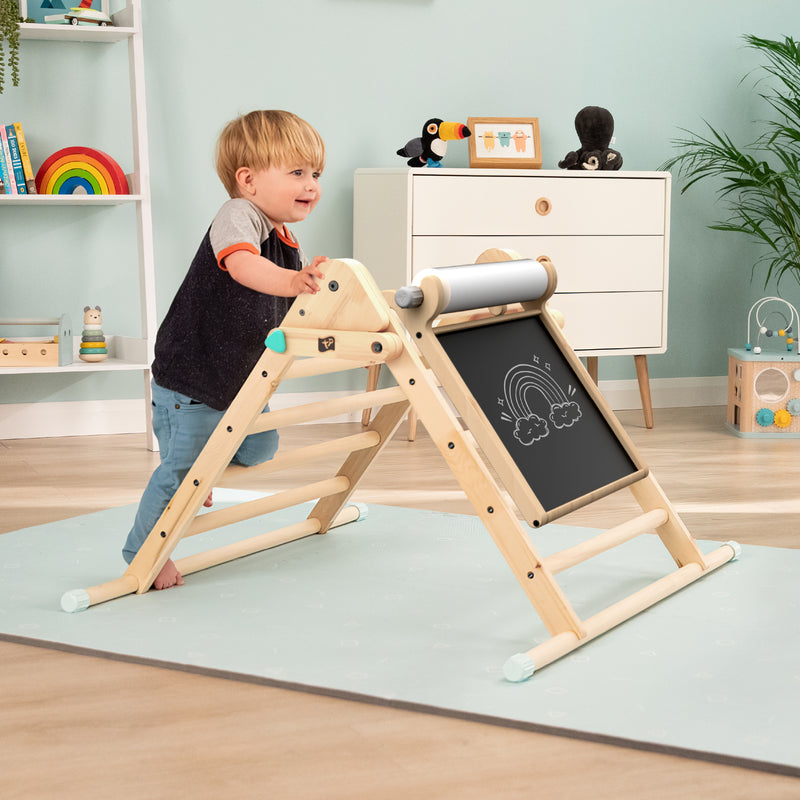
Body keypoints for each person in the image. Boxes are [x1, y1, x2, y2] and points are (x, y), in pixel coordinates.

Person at [122, 109, 327, 590]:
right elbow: (243, 269)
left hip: (237, 377)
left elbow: (275, 303)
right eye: (296, 172)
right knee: (179, 471)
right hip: (192, 378)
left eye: (315, 173)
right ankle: (143, 552)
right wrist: (295, 280)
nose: (312, 184)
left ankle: (206, 471)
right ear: (248, 180)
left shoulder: (283, 236)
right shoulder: (239, 216)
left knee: (261, 445)